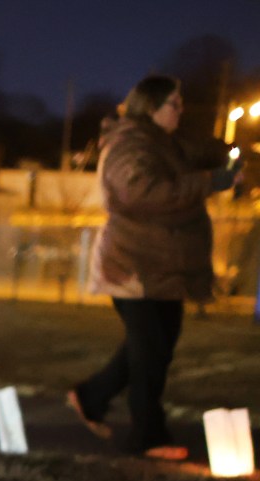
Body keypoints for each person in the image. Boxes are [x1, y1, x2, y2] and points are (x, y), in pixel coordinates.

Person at [68, 75, 240, 460]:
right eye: (174, 104)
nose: (181, 111)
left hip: (161, 268)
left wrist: (230, 158)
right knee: (149, 355)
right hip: (134, 267)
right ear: (151, 106)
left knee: (151, 349)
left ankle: (89, 396)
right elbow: (143, 194)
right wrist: (210, 182)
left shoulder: (164, 144)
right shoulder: (130, 144)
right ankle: (148, 437)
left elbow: (199, 152)